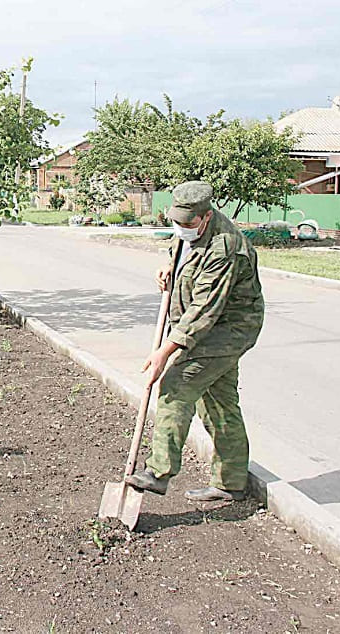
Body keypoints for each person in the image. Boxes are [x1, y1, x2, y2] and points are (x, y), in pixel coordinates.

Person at [127, 180, 264, 502]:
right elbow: (183, 252)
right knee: (219, 403)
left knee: (176, 387)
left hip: (226, 332)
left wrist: (166, 351)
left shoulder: (226, 247)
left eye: (187, 224)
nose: (181, 228)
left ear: (206, 216)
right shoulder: (189, 229)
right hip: (209, 329)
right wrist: (168, 268)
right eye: (176, 222)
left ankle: (158, 472)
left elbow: (205, 309)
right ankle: (230, 483)